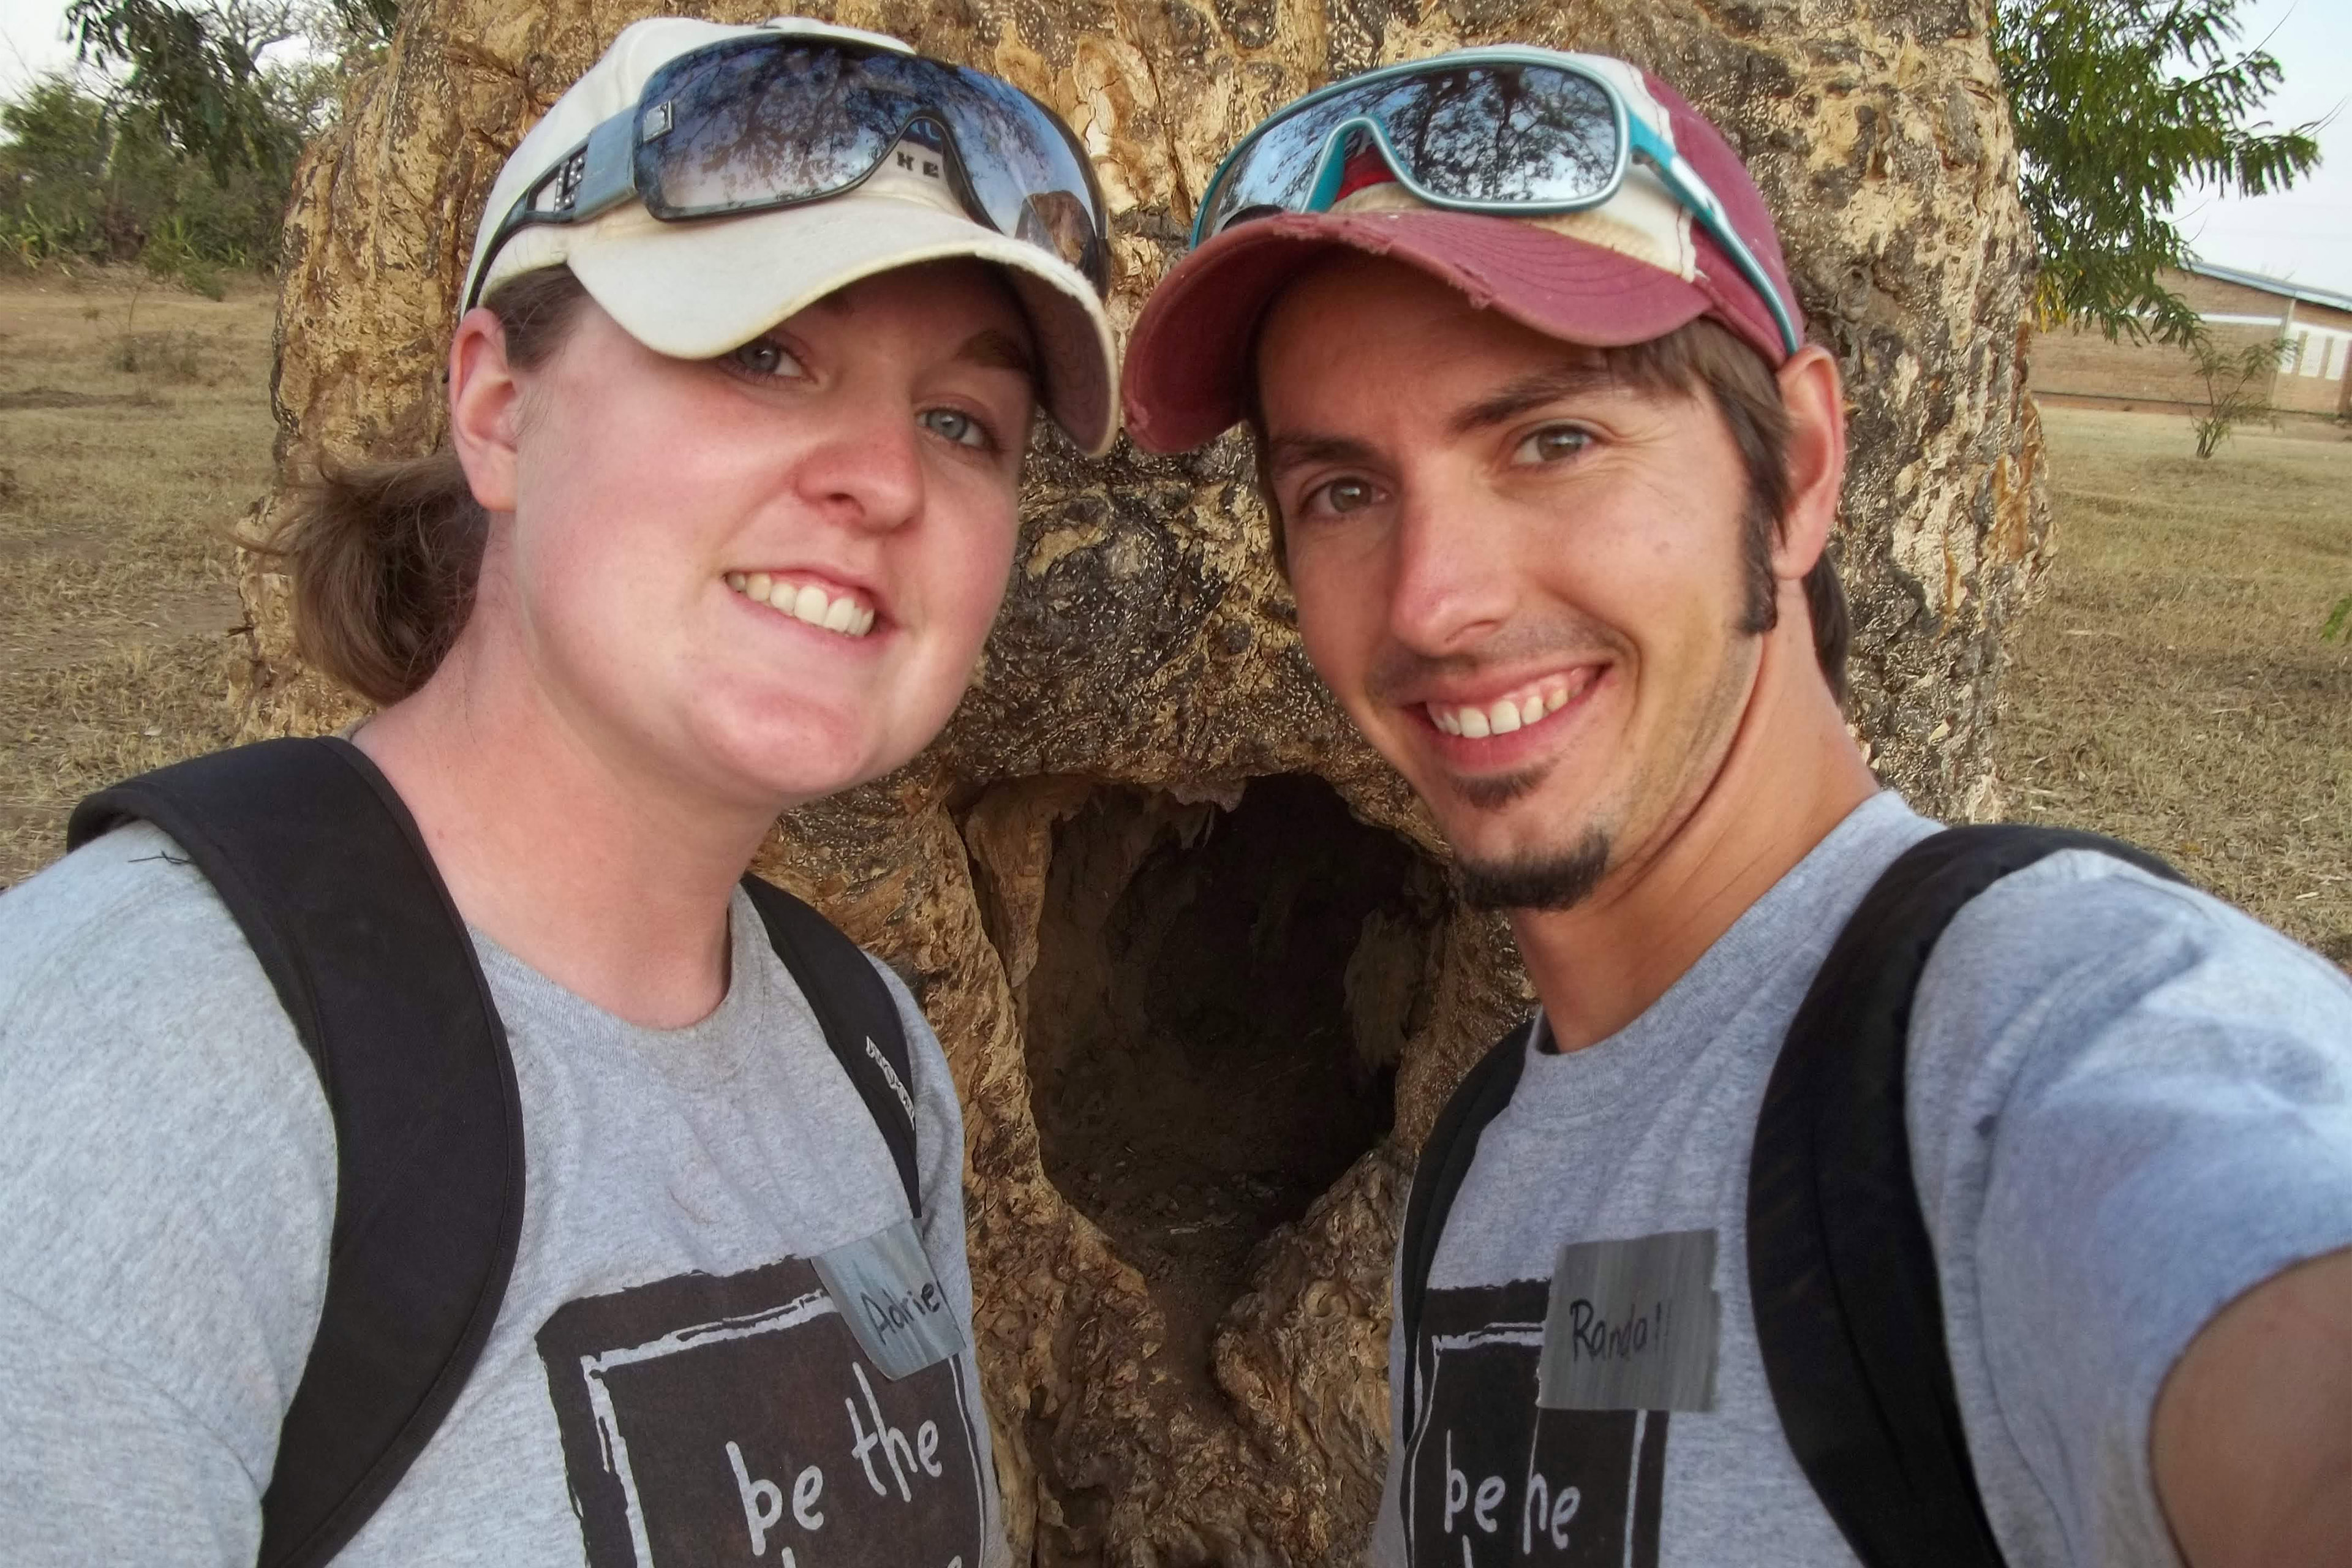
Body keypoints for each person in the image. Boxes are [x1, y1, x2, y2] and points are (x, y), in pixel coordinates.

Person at [1120, 46, 2352, 1568]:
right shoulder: (1484, 1156)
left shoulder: (2023, 1051)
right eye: (1345, 491)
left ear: (1801, 469)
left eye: (1552, 440)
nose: (1435, 601)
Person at [0, 16, 1116, 1565]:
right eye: (763, 352)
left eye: (961, 421)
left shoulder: (869, 1052)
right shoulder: (130, 1064)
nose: (886, 476)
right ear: (499, 407)